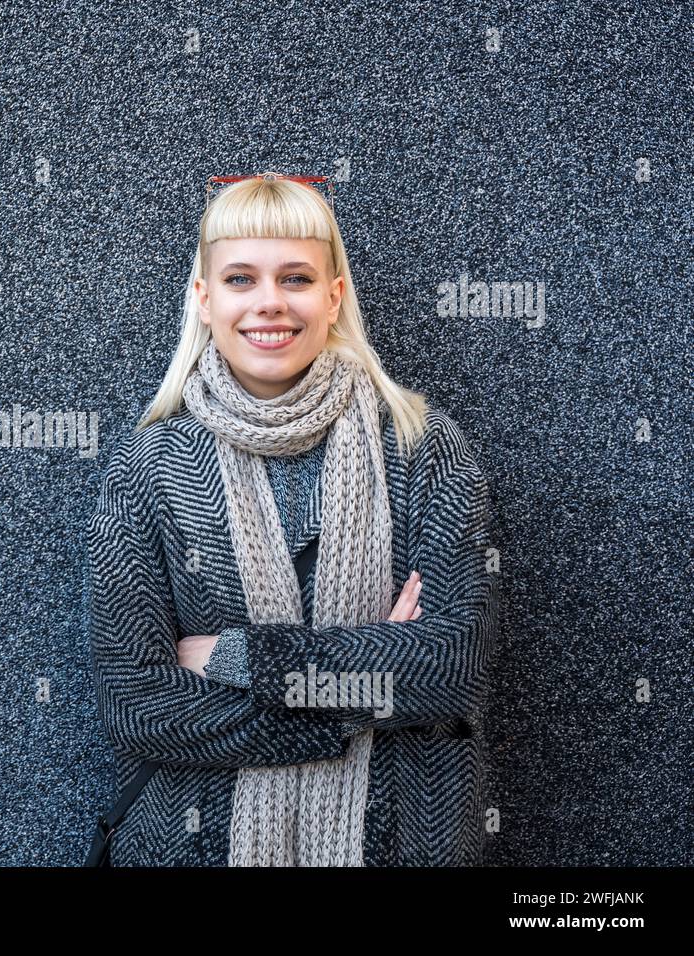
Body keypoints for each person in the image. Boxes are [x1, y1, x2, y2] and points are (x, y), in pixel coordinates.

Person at [86, 173, 499, 866]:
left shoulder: (425, 445)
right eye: (241, 278)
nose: (270, 303)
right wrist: (362, 689)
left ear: (334, 296)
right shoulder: (147, 465)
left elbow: (452, 668)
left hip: (401, 844)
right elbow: (140, 707)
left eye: (297, 277)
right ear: (204, 297)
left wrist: (234, 657)